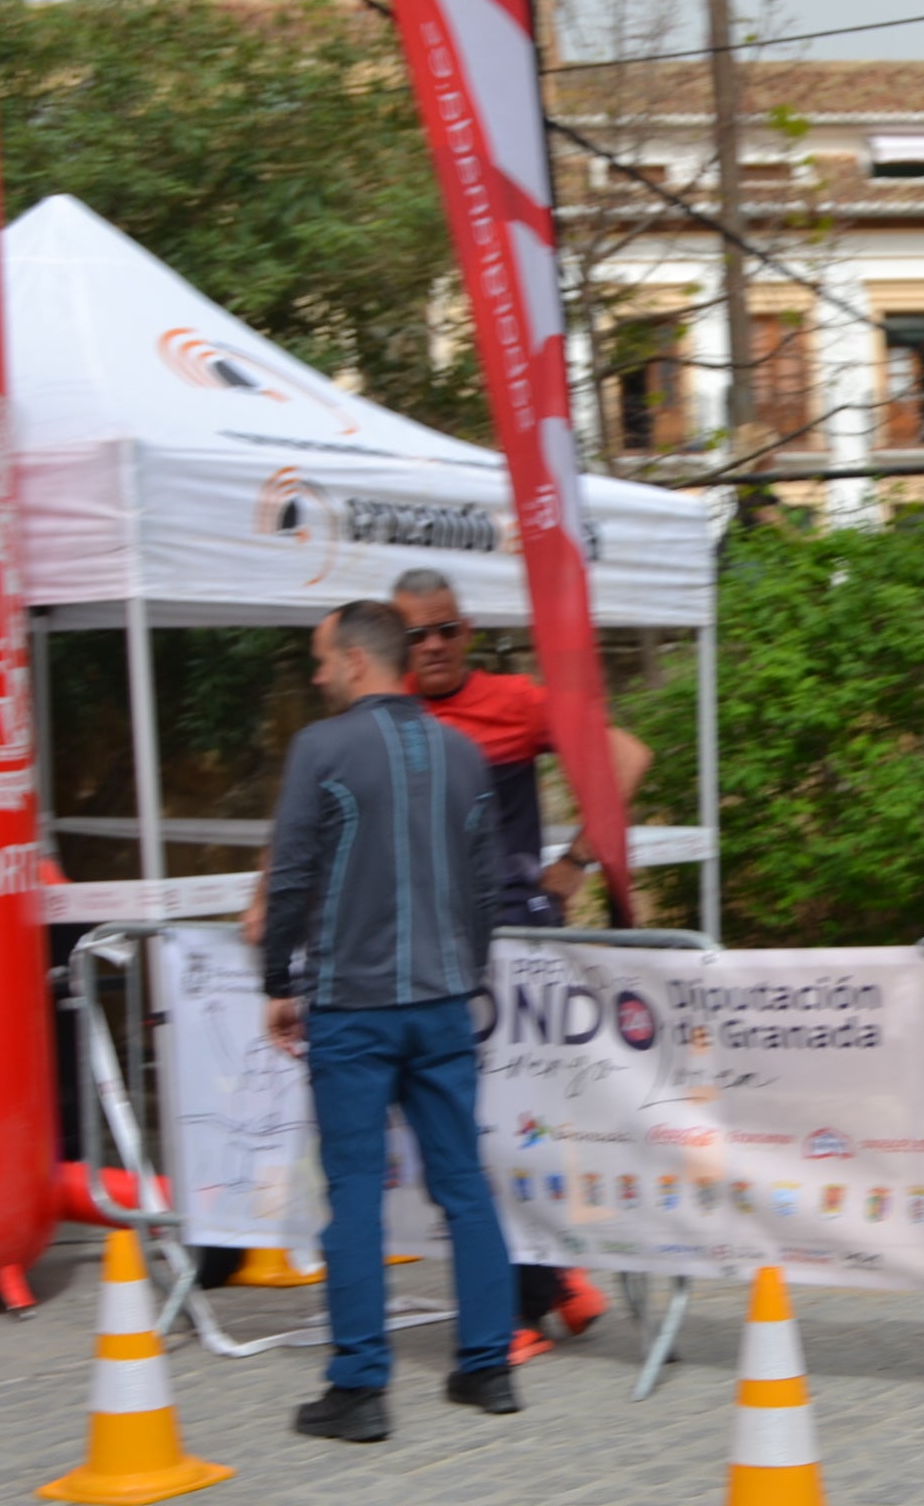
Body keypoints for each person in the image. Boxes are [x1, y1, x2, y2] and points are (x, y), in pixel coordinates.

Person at [261, 601, 519, 1442]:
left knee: (356, 1196)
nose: (315, 673)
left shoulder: (322, 748)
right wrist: (466, 971)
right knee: (463, 1187)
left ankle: (360, 1389)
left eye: (321, 658)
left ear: (358, 662)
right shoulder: (463, 752)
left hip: (354, 1010)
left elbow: (292, 874)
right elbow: (488, 886)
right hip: (443, 1005)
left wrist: (276, 981)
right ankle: (487, 1372)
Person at [390, 567, 647, 1361]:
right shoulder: (388, 714)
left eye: (447, 630)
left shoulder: (514, 700)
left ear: (468, 633)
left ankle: (524, 1310)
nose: (433, 646)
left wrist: (575, 861)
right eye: (415, 635)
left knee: (499, 1131)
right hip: (431, 952)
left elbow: (626, 757)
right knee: (464, 1130)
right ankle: (559, 1286)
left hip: (508, 944)